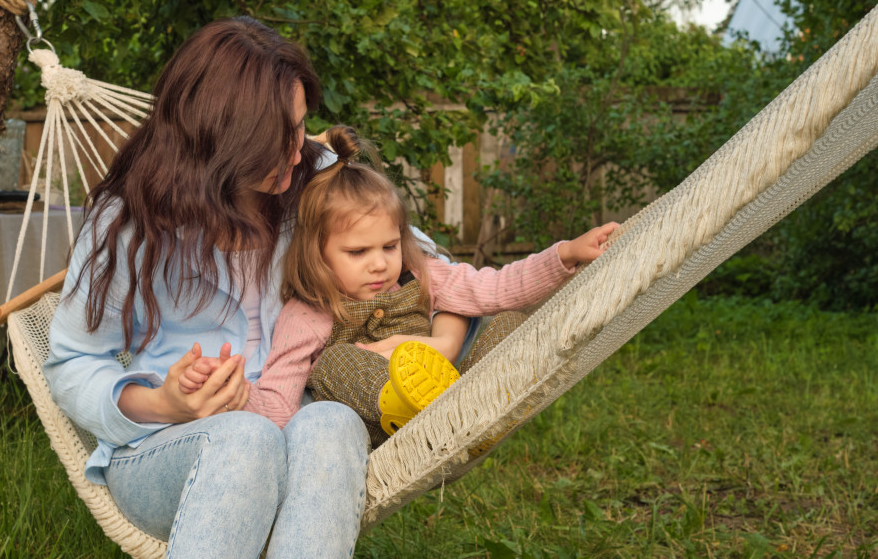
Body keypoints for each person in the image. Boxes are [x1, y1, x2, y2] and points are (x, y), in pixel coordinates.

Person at [44, 19, 468, 559]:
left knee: (331, 418)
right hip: (167, 456)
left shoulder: (314, 179)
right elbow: (71, 363)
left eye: (300, 126)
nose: (302, 148)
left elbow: (430, 266)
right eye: (282, 137)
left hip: (299, 442)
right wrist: (163, 402)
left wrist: (444, 341)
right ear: (224, 140)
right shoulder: (130, 223)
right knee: (245, 435)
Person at [179, 126, 619, 448]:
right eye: (357, 253)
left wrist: (564, 255)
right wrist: (235, 393)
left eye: (389, 246)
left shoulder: (420, 274)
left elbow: (498, 287)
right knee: (332, 364)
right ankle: (441, 419)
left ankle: (474, 412)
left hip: (454, 392)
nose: (380, 263)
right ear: (318, 253)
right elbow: (279, 400)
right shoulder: (308, 312)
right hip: (384, 425)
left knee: (508, 322)